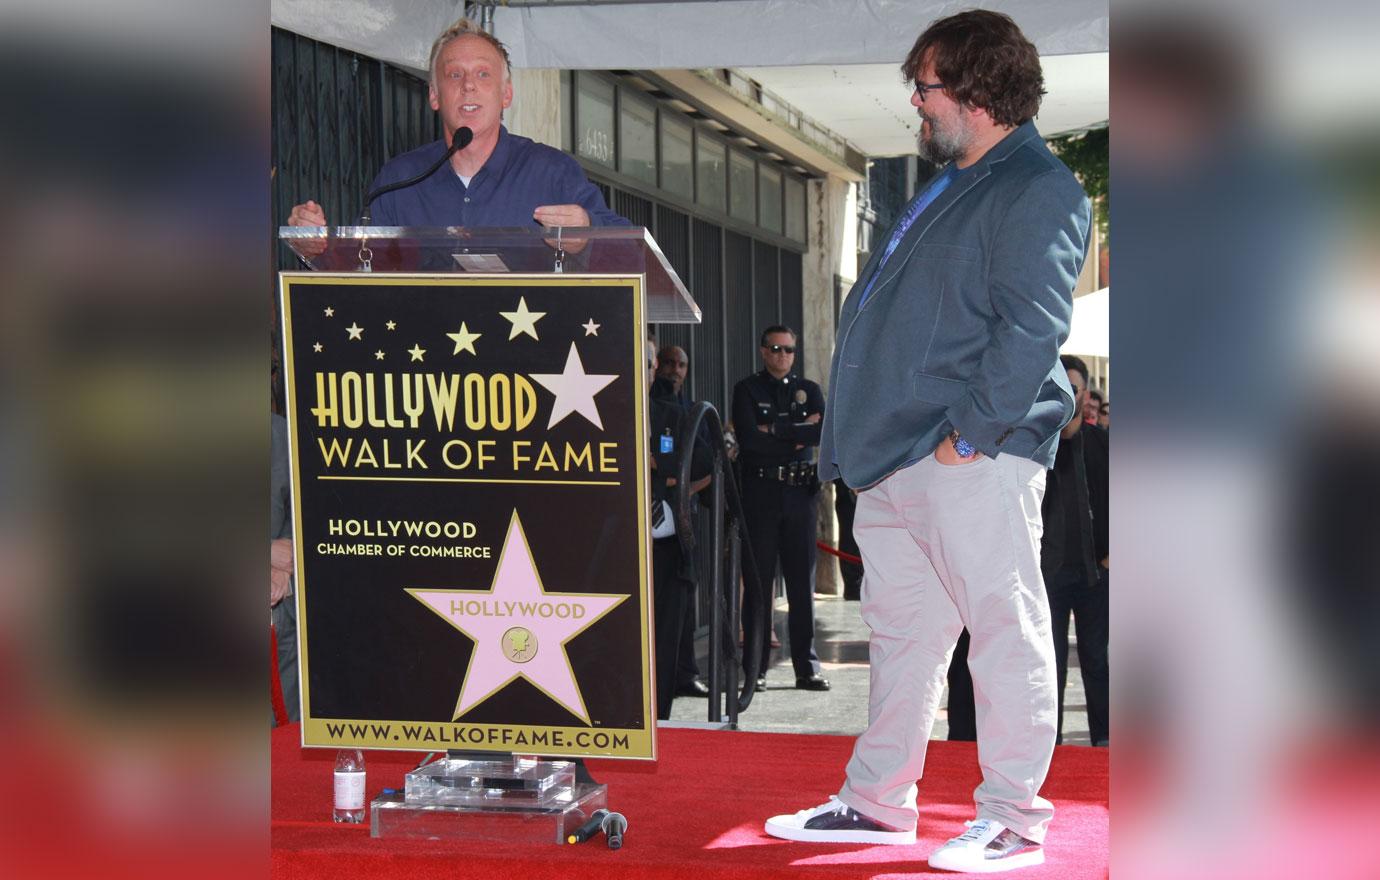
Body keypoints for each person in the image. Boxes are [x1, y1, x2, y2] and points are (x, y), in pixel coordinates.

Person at [763, 11, 1090, 874]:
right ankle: (877, 804)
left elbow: (1030, 329)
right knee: (904, 639)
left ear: (980, 89)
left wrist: (971, 438)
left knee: (1005, 630)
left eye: (928, 86)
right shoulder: (952, 182)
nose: (916, 102)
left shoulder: (1038, 186)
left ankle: (1015, 818)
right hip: (899, 457)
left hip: (969, 454)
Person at [286, 19, 624, 230]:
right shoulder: (398, 180)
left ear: (506, 94)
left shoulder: (553, 172)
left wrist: (587, 230)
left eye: (483, 73)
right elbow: (363, 274)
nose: (468, 85)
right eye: (454, 75)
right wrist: (318, 248)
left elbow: (631, 251)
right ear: (434, 95)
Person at [732, 325, 829, 692]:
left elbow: (821, 433)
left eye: (788, 350)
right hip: (761, 493)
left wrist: (775, 430)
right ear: (762, 351)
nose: (782, 355)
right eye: (775, 348)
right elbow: (749, 440)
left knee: (802, 585)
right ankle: (754, 668)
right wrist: (795, 431)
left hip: (800, 494)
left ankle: (807, 667)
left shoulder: (810, 391)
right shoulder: (747, 389)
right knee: (758, 584)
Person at [1043, 355, 1109, 746]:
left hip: (1095, 574)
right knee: (1048, 667)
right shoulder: (1035, 444)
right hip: (1047, 575)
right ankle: (1049, 744)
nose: (1070, 396)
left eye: (1076, 389)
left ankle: (1104, 739)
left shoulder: (1103, 443)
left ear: (1086, 396)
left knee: (1097, 661)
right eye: (1061, 388)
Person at [647, 340, 711, 719]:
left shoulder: (672, 414)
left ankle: (659, 717)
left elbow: (707, 463)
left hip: (666, 548)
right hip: (612, 550)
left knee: (666, 637)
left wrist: (665, 472)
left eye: (647, 362)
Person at [271, 413, 300, 723]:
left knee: (285, 737)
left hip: (282, 609)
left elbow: (306, 504)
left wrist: (284, 567)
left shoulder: (280, 431)